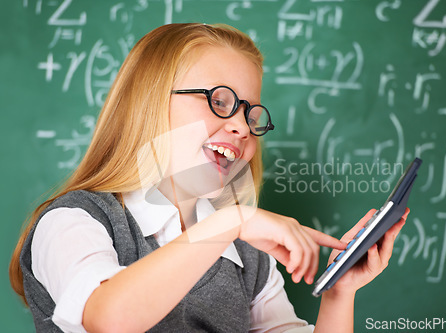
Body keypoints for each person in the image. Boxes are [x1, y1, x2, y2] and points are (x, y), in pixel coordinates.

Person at [9, 23, 408, 332]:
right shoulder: (73, 221)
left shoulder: (249, 259)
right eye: (219, 101)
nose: (242, 127)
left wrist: (340, 293)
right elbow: (110, 319)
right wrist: (230, 220)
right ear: (148, 102)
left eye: (251, 114)